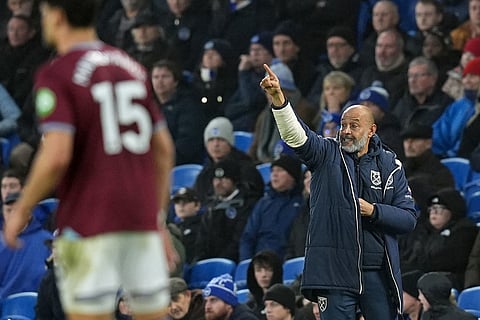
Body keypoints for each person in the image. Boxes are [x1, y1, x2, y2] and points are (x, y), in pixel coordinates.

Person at [2, 0, 177, 319]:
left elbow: (56, 154)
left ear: (56, 16)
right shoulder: (130, 66)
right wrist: (158, 219)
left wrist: (22, 209)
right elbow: (163, 149)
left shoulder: (58, 72)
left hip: (89, 220)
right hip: (140, 221)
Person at [260, 64, 417, 319]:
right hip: (334, 271)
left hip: (376, 269)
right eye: (343, 125)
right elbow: (296, 136)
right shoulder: (325, 153)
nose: (345, 131)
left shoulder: (390, 164)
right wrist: (279, 100)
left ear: (371, 130)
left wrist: (374, 211)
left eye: (354, 126)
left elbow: (408, 218)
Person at [239, 154, 304, 260]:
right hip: (260, 264)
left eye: (280, 170)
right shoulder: (263, 203)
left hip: (286, 262)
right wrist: (247, 264)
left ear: (293, 175)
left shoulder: (301, 203)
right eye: (273, 171)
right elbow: (248, 237)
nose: (274, 174)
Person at [194, 158, 258, 263]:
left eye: (224, 179)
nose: (218, 183)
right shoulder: (211, 206)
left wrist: (221, 261)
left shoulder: (246, 204)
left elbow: (238, 239)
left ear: (234, 181)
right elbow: (202, 239)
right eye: (216, 179)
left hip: (233, 261)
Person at [193, 116, 264, 203]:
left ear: (230, 143)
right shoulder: (205, 172)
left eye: (221, 139)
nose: (216, 144)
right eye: (211, 140)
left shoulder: (245, 168)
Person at [151, 59, 206, 165]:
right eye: (156, 77)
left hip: (177, 164)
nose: (160, 81)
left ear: (175, 82)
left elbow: (187, 145)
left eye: (165, 77)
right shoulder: (149, 105)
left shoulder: (188, 106)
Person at [224, 32, 275, 132]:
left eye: (259, 49)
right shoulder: (251, 75)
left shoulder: (272, 75)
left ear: (271, 53)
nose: (254, 54)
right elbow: (229, 109)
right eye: (252, 50)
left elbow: (250, 102)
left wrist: (243, 73)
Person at [432, 56, 480, 158]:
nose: (467, 81)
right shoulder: (457, 107)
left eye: (473, 76)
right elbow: (439, 135)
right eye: (465, 76)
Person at [245, 250, 284, 319]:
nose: (263, 275)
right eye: (258, 270)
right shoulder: (250, 307)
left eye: (269, 270)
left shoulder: (287, 302)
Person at [171, 187, 204, 264]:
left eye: (185, 201)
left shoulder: (203, 226)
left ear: (197, 205)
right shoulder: (173, 227)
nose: (181, 205)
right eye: (177, 202)